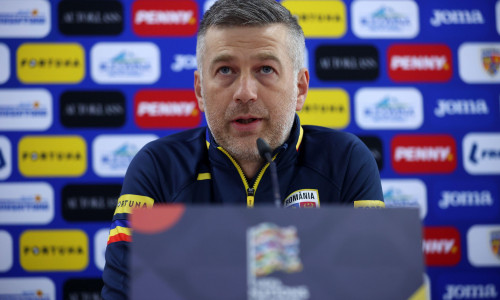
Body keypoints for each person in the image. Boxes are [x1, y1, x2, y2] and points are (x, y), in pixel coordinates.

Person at [102, 0, 384, 298]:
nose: (245, 93)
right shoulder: (158, 167)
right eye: (226, 70)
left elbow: (373, 288)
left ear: (300, 88)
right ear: (200, 90)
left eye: (265, 68)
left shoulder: (346, 161)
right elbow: (124, 292)